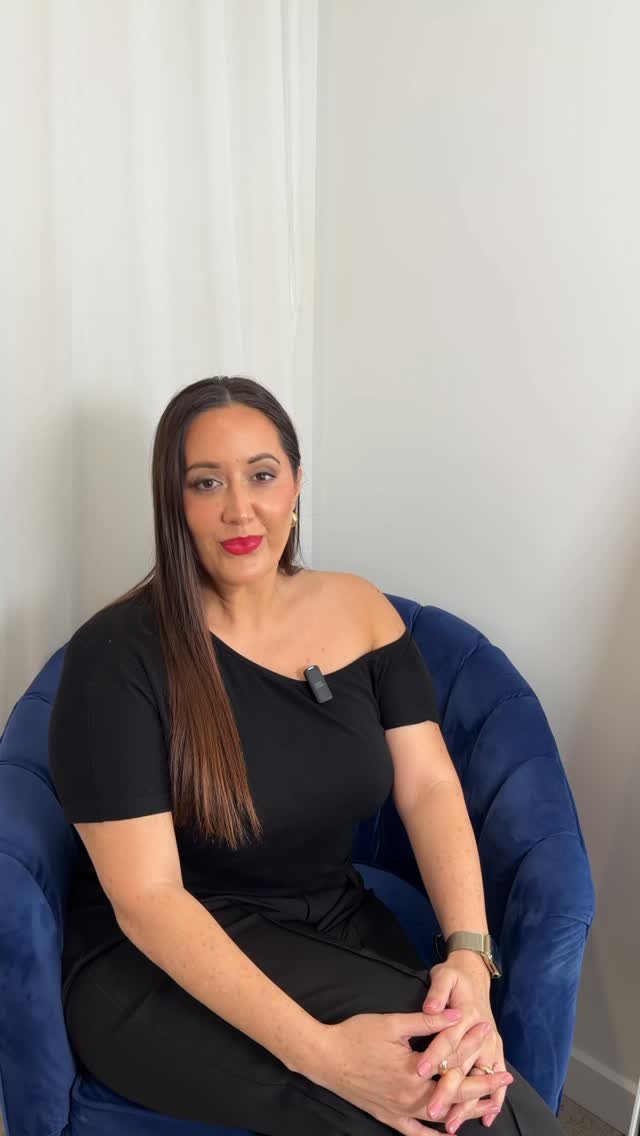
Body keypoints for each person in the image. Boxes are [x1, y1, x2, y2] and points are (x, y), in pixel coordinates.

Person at [48, 376, 563, 1136]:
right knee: (453, 1114)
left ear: (294, 483)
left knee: (476, 1095)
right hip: (154, 965)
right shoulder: (115, 656)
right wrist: (324, 1057)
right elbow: (148, 900)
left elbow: (428, 784)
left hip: (334, 923)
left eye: (261, 475)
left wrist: (468, 954)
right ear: (173, 502)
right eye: (205, 483)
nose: (239, 509)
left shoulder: (361, 611)